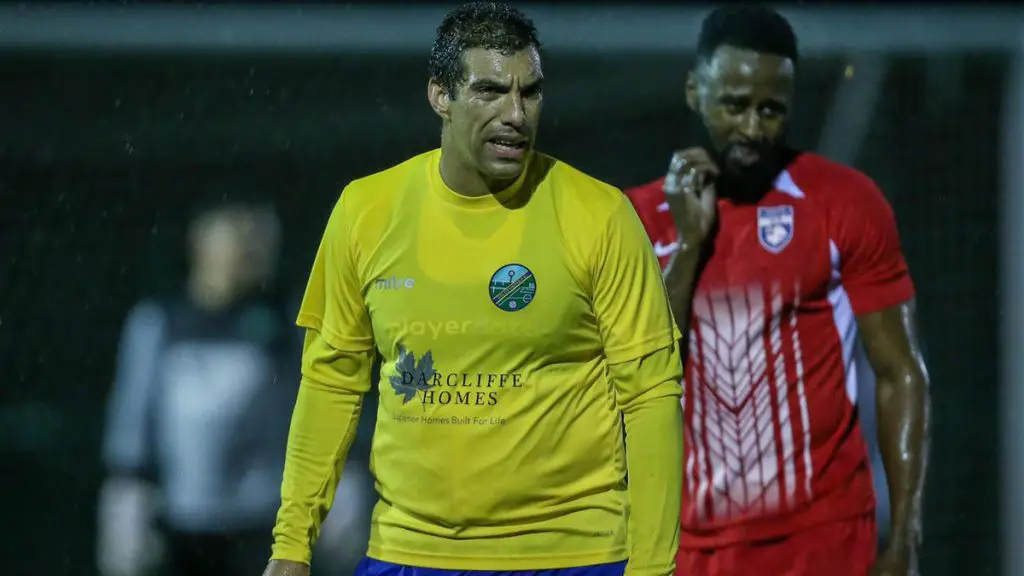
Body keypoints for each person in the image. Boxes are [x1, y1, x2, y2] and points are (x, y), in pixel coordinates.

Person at [262, 2, 685, 576]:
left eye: (530, 92)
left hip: (573, 554)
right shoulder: (366, 211)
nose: (516, 113)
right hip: (409, 552)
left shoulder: (601, 215)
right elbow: (331, 383)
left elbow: (652, 395)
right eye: (490, 91)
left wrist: (654, 567)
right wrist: (291, 545)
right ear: (440, 95)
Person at [624, 6, 930, 576]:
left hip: (826, 538)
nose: (752, 128)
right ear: (695, 91)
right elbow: (637, 378)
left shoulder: (843, 203)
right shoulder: (635, 222)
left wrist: (906, 539)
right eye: (734, 105)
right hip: (688, 544)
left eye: (772, 110)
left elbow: (901, 372)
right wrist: (689, 246)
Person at [98, 200, 297, 576]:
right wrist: (127, 491)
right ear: (203, 245)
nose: (248, 253)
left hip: (263, 521)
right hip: (183, 519)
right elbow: (134, 413)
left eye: (256, 243)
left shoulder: (284, 320)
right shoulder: (161, 321)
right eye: (237, 240)